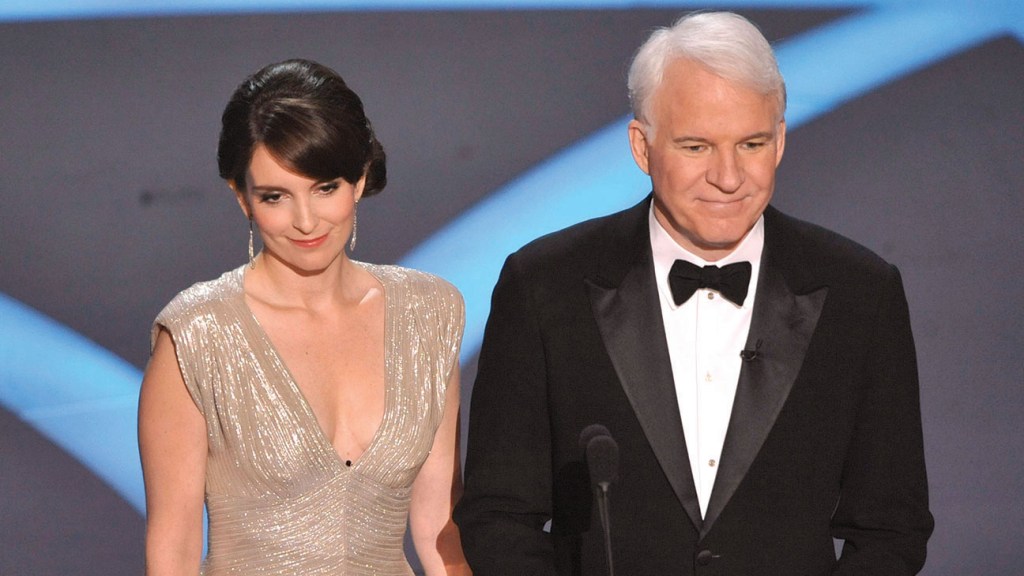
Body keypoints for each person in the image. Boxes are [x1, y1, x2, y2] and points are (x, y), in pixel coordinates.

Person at [454, 11, 933, 575]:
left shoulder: (862, 293)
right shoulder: (543, 285)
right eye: (697, 147)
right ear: (642, 147)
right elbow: (500, 516)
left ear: (779, 140)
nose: (728, 177)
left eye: (751, 143)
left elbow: (891, 530)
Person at [138, 59, 471, 576]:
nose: (306, 221)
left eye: (325, 187)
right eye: (275, 196)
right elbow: (175, 546)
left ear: (359, 180)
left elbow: (438, 527)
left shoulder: (429, 313)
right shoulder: (197, 335)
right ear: (242, 197)